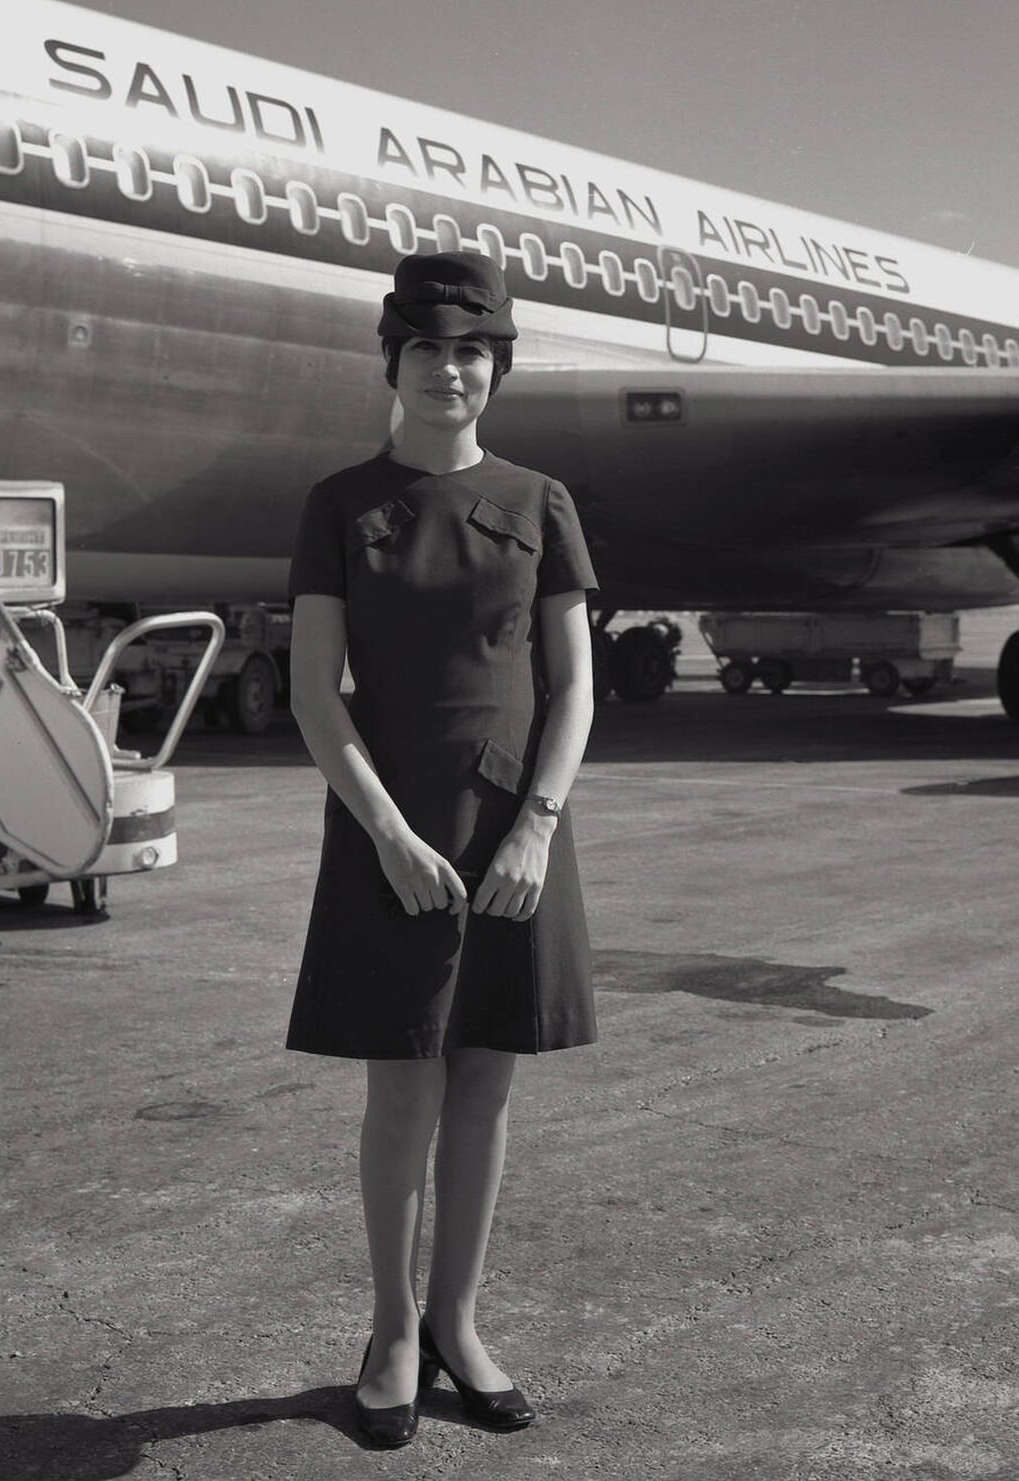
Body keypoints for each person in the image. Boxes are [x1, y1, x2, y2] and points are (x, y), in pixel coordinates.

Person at [284, 251, 598, 1448]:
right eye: (427, 351)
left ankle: (460, 1324)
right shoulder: (338, 504)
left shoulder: (538, 502)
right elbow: (319, 695)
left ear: (496, 367)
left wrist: (536, 824)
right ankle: (392, 1329)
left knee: (483, 1079)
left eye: (473, 352)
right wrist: (388, 835)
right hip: (390, 823)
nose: (450, 370)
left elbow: (570, 690)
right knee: (402, 1082)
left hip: (514, 825)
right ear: (393, 364)